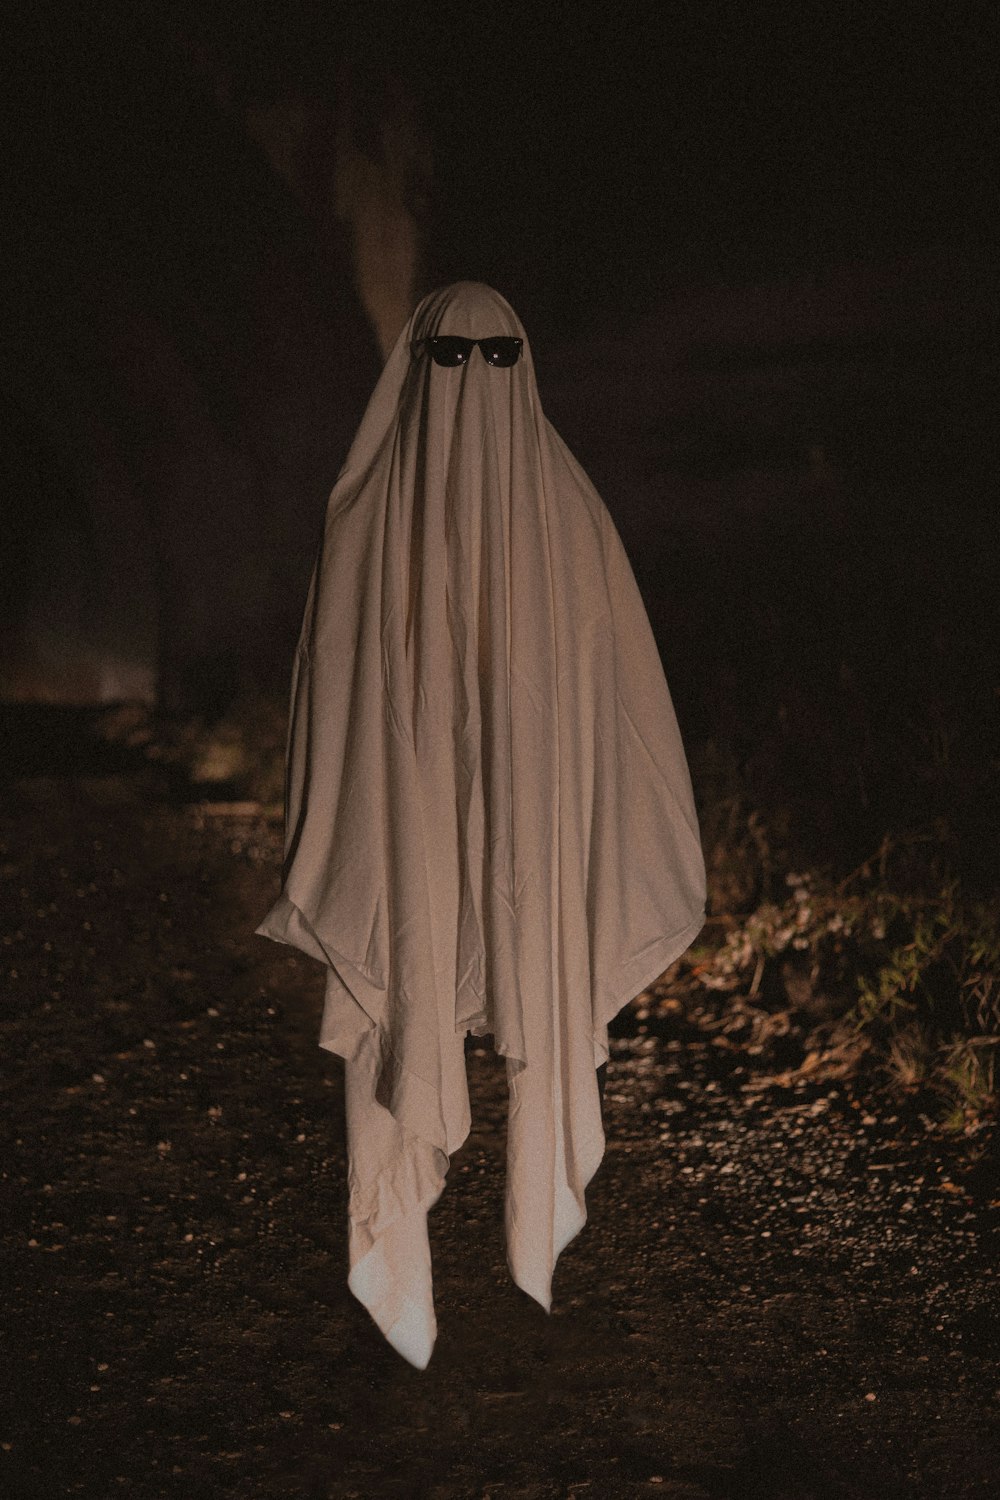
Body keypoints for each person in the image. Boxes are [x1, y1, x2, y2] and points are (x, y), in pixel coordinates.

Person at [254, 282, 705, 1368]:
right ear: (415, 370)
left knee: (526, 961)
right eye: (450, 360)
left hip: (529, 831)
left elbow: (615, 706)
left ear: (528, 366)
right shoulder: (365, 520)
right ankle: (401, 1257)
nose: (474, 384)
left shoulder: (567, 516)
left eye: (498, 359)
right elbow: (337, 700)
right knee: (404, 965)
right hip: (407, 833)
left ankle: (521, 1239)